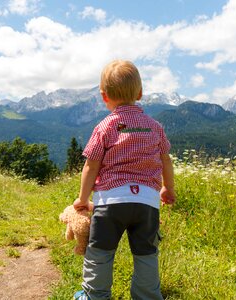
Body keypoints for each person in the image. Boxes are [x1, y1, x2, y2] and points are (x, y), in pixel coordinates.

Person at [73, 60, 175, 300]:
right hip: (147, 203)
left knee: (99, 253)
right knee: (146, 254)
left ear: (103, 96)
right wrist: (167, 188)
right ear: (140, 94)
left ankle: (94, 296)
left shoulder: (106, 126)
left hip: (111, 202)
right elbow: (166, 160)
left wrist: (83, 198)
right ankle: (147, 296)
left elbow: (91, 164)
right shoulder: (154, 127)